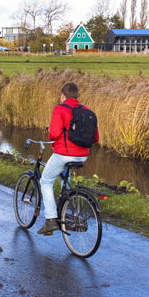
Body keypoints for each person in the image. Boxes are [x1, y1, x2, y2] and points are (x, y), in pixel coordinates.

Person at [37, 82, 99, 235]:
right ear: (77, 95)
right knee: (65, 176)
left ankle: (51, 220)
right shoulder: (87, 111)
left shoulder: (60, 109)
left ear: (62, 95)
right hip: (83, 156)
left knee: (45, 181)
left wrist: (51, 132)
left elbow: (54, 134)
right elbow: (95, 138)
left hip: (64, 154)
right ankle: (67, 205)